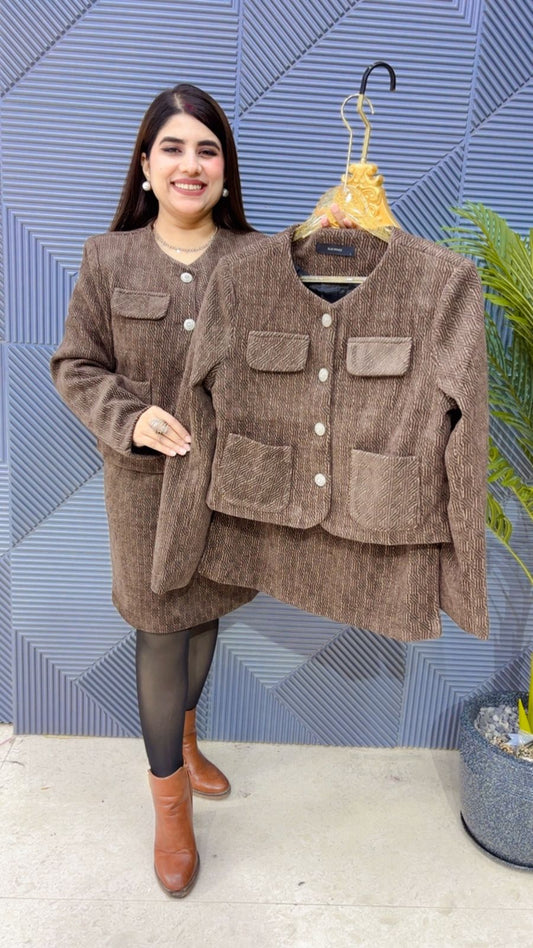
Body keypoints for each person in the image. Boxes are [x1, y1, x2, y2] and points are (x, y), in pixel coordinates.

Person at [51, 82, 354, 899]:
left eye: (207, 149)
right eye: (174, 148)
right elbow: (75, 365)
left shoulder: (261, 257)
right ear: (145, 165)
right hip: (144, 492)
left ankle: (186, 742)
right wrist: (130, 417)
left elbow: (313, 345)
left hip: (230, 488)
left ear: (225, 169)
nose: (191, 165)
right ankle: (170, 808)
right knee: (160, 630)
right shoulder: (108, 258)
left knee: (206, 610)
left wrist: (342, 254)